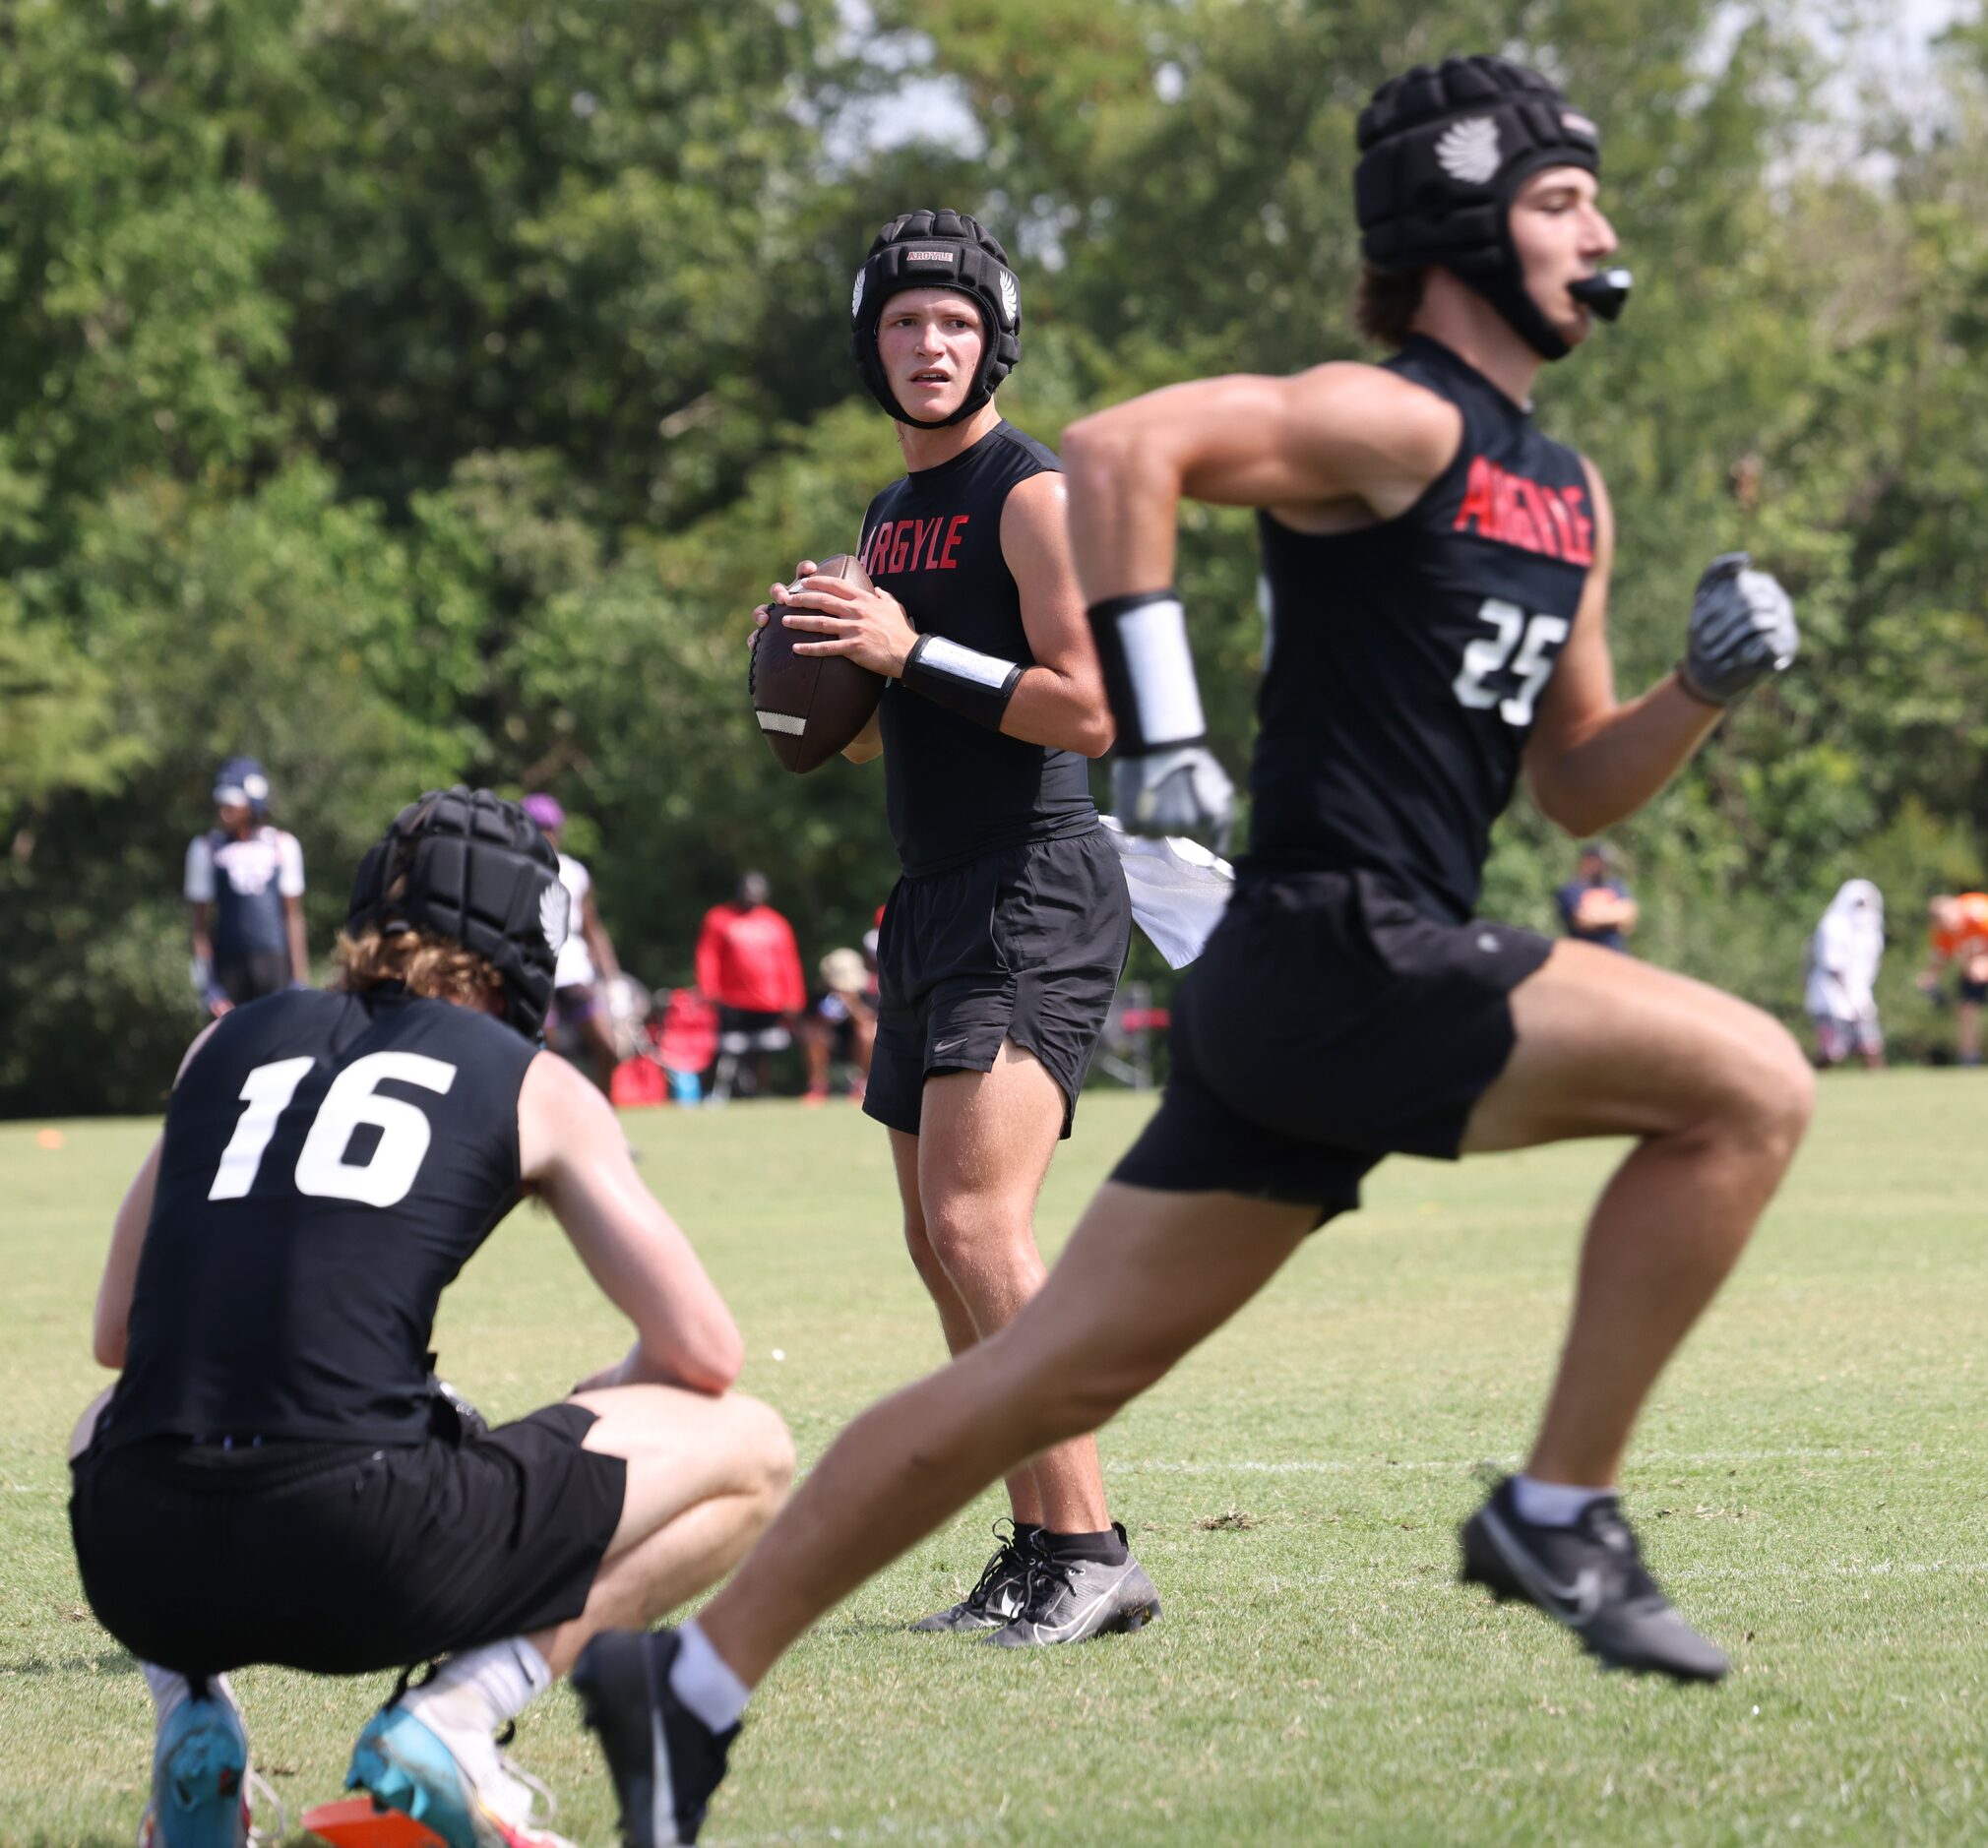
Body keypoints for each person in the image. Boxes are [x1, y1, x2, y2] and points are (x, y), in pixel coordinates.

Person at [571, 59, 1816, 1844]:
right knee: (1754, 1085)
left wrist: (1705, 687)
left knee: (1031, 1356)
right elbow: (1131, 444)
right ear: (1465, 226)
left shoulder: (1569, 491)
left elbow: (1579, 786)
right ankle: (1558, 1504)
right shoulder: (1404, 420)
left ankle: (686, 1685)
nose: (1602, 234)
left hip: (1293, 977)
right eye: (1563, 201)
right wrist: (1148, 715)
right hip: (1343, 944)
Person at [71, 788, 792, 1848]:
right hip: (359, 1545)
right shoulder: (533, 1080)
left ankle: (191, 1717)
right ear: (527, 943)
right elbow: (705, 1351)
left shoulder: (217, 1046)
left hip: (142, 1558)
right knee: (753, 1448)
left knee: (106, 1414)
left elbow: (119, 1339)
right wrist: (614, 1386)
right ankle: (452, 1723)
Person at [746, 209, 1154, 1645]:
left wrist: (907, 647)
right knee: (939, 1239)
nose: (931, 346)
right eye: (906, 323)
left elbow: (1090, 705)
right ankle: (1039, 1549)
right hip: (931, 888)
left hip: (1034, 879)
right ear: (872, 343)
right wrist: (826, 662)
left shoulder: (1025, 490)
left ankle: (1095, 1546)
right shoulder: (885, 514)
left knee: (985, 1224)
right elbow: (876, 736)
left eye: (956, 324)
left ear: (995, 342)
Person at [185, 758, 309, 1016]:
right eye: (221, 803)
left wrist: (300, 982)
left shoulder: (283, 846)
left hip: (276, 972)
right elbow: (198, 926)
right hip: (229, 974)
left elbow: (293, 918)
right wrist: (207, 987)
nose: (224, 810)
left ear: (252, 803)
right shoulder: (206, 848)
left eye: (231, 804)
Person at [521, 793, 624, 1092]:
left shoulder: (575, 872)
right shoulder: (518, 871)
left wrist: (612, 978)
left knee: (608, 1048)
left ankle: (605, 1117)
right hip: (538, 972)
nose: (548, 836)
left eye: (551, 828)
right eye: (541, 828)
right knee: (551, 1056)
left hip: (575, 972)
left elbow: (592, 928)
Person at [693, 873, 806, 1098]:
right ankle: (713, 1092)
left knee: (762, 1051)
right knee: (724, 1049)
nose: (751, 895)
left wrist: (794, 998)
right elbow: (707, 956)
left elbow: (788, 963)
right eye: (747, 889)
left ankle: (757, 1092)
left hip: (768, 1003)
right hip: (731, 1002)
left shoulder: (777, 924)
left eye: (757, 890)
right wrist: (709, 990)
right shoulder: (719, 918)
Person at [1805, 880, 1886, 1070]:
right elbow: (1833, 965)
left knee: (1870, 1046)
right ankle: (1807, 1077)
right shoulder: (1833, 925)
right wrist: (1851, 995)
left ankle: (1883, 1086)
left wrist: (1859, 995)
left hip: (1859, 992)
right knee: (1832, 1050)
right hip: (1832, 993)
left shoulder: (1870, 928)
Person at [1918, 892, 1988, 1066]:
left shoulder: (1977, 912)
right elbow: (1941, 955)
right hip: (1971, 972)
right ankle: (1970, 1057)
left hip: (1981, 965)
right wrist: (1930, 976)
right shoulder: (1945, 931)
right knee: (1965, 1009)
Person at [800, 946, 876, 1103]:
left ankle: (862, 1084)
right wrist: (825, 1018)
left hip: (857, 1045)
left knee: (869, 1033)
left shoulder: (867, 995)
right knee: (813, 1034)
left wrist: (853, 1007)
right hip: (830, 1043)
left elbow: (871, 1022)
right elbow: (807, 1024)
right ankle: (817, 1085)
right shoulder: (820, 995)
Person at [1556, 840, 1638, 952]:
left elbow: (1629, 914)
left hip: (1616, 955)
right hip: (1583, 955)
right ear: (1586, 860)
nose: (1603, 867)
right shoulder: (1572, 889)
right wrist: (1614, 915)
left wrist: (1596, 915)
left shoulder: (1616, 885)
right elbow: (1582, 920)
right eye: (1599, 862)